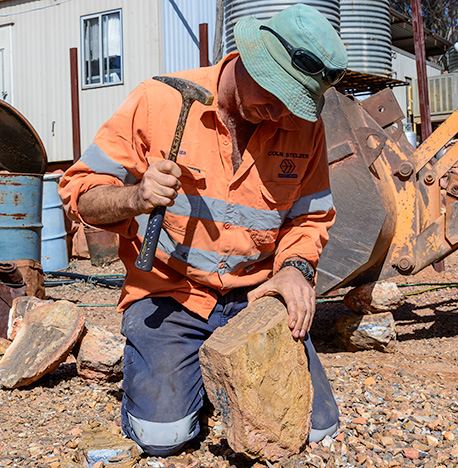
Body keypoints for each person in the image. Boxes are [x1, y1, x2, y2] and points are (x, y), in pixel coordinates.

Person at [59, 3, 347, 457]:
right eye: (273, 94)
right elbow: (80, 192)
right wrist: (135, 197)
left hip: (255, 296)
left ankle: (212, 379)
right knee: (163, 437)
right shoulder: (159, 101)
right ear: (247, 54)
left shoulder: (303, 127)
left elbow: (309, 218)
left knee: (315, 432)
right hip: (169, 293)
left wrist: (294, 268)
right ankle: (187, 375)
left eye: (292, 103)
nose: (278, 114)